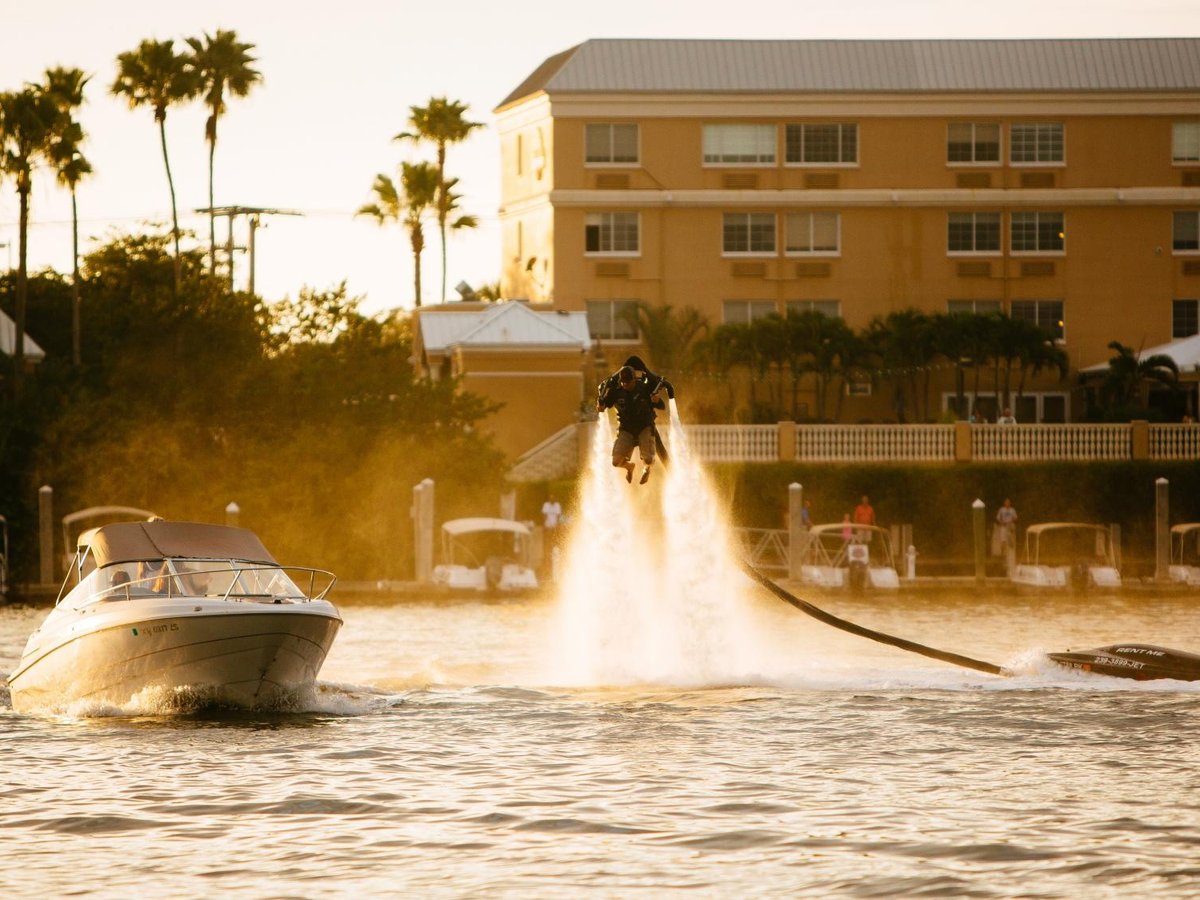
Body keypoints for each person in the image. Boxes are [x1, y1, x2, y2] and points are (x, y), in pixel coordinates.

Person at [597, 364, 668, 484]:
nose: (625, 385)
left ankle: (647, 468)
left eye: (628, 382)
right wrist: (600, 405)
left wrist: (657, 400)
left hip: (644, 426)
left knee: (649, 459)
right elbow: (602, 408)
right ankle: (629, 467)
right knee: (616, 461)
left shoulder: (644, 389)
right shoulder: (616, 392)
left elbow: (662, 406)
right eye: (623, 382)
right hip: (626, 429)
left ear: (634, 379)